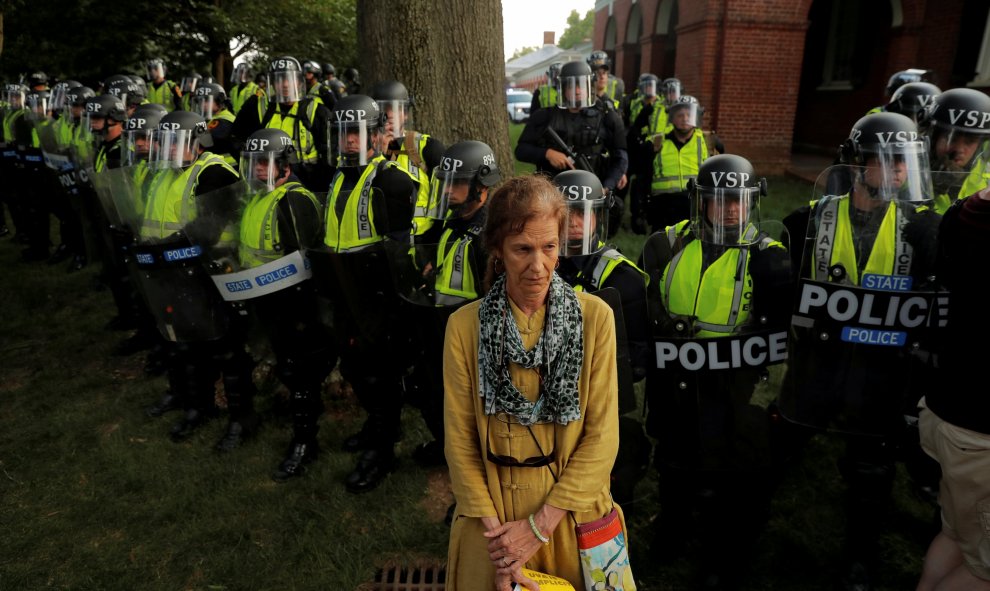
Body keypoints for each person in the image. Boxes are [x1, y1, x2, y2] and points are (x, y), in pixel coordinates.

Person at [778, 112, 942, 590]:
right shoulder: (808, 219)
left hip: (883, 368)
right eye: (884, 163)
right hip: (820, 362)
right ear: (854, 164)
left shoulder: (925, 228)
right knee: (783, 446)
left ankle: (860, 556)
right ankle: (744, 523)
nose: (895, 174)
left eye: (902, 165)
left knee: (873, 467)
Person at [443, 173, 626, 591]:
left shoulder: (595, 318)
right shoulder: (463, 327)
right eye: (522, 249)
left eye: (548, 247)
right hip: (489, 518)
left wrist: (538, 528)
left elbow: (602, 438)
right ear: (497, 251)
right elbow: (460, 440)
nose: (538, 265)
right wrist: (502, 545)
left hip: (570, 512)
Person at [638, 154, 792, 588]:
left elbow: (778, 335)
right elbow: (647, 298)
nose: (729, 209)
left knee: (728, 461)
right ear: (700, 202)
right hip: (675, 377)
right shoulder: (663, 244)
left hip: (734, 383)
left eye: (738, 200)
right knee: (673, 454)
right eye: (718, 199)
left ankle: (722, 545)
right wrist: (662, 323)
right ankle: (673, 523)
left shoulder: (769, 258)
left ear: (752, 202)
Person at [315, 94, 415, 493]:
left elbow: (398, 251)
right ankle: (375, 422)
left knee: (381, 373)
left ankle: (384, 449)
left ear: (377, 137)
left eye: (356, 134)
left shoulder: (392, 181)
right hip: (343, 293)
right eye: (342, 134)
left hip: (378, 297)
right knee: (354, 367)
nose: (349, 142)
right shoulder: (336, 177)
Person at [137, 110, 255, 444]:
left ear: (198, 142)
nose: (172, 150)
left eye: (179, 143)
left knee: (227, 347)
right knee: (186, 341)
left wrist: (169, 245)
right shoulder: (161, 175)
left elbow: (210, 225)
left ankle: (241, 418)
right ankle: (197, 407)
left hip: (214, 269)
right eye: (167, 143)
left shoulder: (215, 171)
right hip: (172, 269)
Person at [230, 128, 335, 480]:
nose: (258, 169)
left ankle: (305, 442)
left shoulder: (293, 200)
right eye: (254, 162)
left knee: (300, 371)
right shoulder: (258, 197)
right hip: (265, 300)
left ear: (284, 166)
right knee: (288, 367)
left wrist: (303, 313)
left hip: (293, 305)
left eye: (265, 162)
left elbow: (305, 262)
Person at [552, 169, 651, 510]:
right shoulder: (532, 267)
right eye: (566, 213)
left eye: (585, 212)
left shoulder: (625, 280)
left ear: (599, 216)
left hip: (601, 402)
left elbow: (639, 359)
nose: (575, 222)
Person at [401, 139, 501, 467]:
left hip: (471, 342)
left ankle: (474, 472)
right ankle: (449, 452)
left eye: (457, 182)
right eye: (445, 181)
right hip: (441, 330)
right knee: (431, 396)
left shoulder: (489, 237)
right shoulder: (452, 223)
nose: (447, 190)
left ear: (481, 184)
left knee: (469, 412)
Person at [916, 186, 990, 591]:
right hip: (980, 435)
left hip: (949, 409)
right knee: (984, 570)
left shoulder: (964, 212)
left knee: (957, 535)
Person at [515, 60, 628, 198]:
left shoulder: (607, 117)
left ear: (589, 87)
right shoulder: (544, 116)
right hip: (553, 194)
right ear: (563, 88)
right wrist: (548, 154)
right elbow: (521, 151)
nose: (578, 91)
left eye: (581, 85)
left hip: (593, 191)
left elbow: (620, 156)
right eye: (572, 86)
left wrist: (606, 187)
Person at [230, 55, 331, 191]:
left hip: (307, 185)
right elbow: (235, 139)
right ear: (271, 84)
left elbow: (329, 157)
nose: (285, 84)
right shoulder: (257, 107)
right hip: (265, 185)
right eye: (280, 79)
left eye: (291, 79)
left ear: (300, 83)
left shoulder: (316, 111)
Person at [371, 79, 445, 237]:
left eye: (393, 112)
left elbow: (445, 201)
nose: (387, 118)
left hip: (422, 240)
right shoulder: (367, 153)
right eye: (381, 112)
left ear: (405, 115)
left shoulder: (427, 148)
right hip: (380, 244)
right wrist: (379, 154)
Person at [646, 95, 719, 233]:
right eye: (680, 115)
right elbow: (644, 175)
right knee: (660, 248)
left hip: (695, 205)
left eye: (689, 114)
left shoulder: (708, 142)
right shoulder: (656, 142)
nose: (685, 118)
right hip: (663, 207)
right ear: (672, 117)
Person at [919, 87, 990, 214]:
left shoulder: (987, 184)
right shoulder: (906, 169)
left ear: (980, 144)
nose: (958, 149)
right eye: (951, 138)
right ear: (934, 138)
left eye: (970, 141)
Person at [191, 82, 236, 166]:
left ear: (219, 101)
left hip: (225, 166)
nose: (202, 104)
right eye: (199, 101)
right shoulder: (209, 118)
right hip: (212, 164)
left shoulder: (224, 120)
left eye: (207, 100)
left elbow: (205, 140)